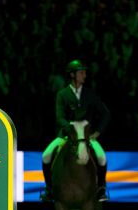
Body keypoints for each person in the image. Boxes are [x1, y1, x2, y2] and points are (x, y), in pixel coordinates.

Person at [41, 60, 111, 202]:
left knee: (102, 157)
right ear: (72, 75)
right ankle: (49, 189)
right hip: (67, 135)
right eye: (81, 72)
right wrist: (72, 130)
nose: (84, 75)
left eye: (84, 72)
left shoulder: (90, 94)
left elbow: (105, 113)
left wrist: (97, 132)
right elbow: (60, 117)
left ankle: (101, 189)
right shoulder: (62, 94)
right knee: (46, 155)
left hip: (86, 137)